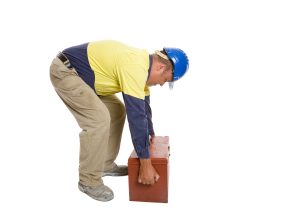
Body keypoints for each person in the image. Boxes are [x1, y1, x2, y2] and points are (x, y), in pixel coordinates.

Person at [49, 40, 189, 202]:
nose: (162, 84)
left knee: (117, 111)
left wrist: (151, 136)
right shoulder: (135, 68)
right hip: (67, 71)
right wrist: (145, 164)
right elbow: (136, 117)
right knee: (99, 120)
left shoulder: (142, 67)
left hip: (87, 78)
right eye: (166, 79)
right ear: (161, 67)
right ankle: (88, 180)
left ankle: (104, 165)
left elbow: (144, 110)